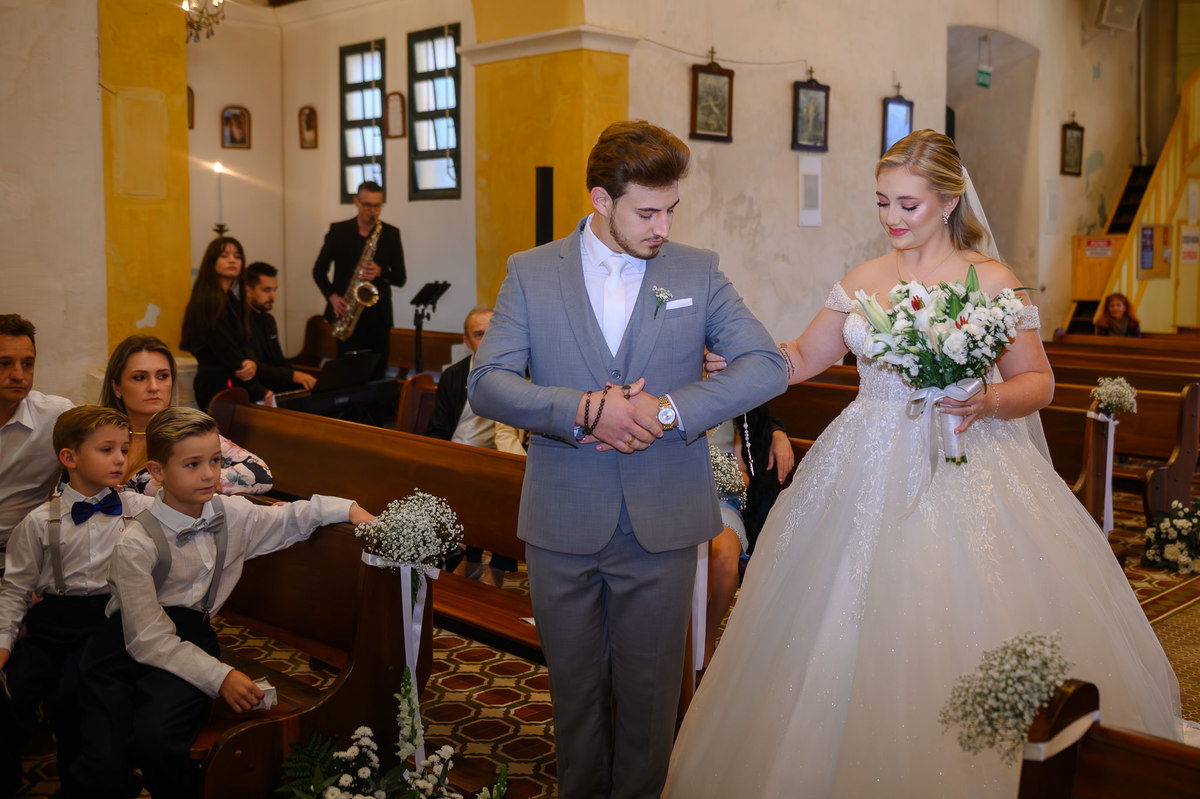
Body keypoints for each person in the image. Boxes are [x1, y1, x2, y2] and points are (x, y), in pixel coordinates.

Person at [664, 130, 1184, 797]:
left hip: (969, 460)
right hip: (864, 458)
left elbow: (1041, 383)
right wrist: (745, 361)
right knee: (837, 619)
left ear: (947, 201)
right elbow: (800, 356)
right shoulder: (863, 279)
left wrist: (988, 397)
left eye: (907, 204)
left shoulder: (992, 282)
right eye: (882, 202)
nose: (891, 218)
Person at [469, 120, 787, 798]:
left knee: (650, 711)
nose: (663, 226)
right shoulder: (531, 272)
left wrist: (668, 410)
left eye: (671, 208)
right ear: (600, 200)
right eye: (648, 211)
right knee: (574, 704)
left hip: (665, 521)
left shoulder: (696, 271)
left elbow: (766, 365)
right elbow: (487, 381)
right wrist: (584, 409)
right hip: (563, 519)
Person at [71, 406, 375, 798]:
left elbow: (295, 518)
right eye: (193, 464)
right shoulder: (136, 543)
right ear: (158, 472)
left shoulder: (231, 515)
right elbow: (146, 638)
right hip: (124, 645)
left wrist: (350, 509)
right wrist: (221, 676)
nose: (209, 474)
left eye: (215, 460)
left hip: (192, 639)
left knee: (158, 736)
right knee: (104, 752)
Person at [0, 406, 154, 796]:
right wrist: (2, 645)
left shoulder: (138, 512)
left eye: (124, 449)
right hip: (49, 625)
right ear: (69, 458)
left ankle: (80, 784)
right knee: (13, 688)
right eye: (107, 450)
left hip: (105, 624)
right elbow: (15, 590)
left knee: (76, 694)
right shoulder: (39, 522)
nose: (120, 459)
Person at [101, 335, 273, 497]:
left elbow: (260, 474)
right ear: (116, 387)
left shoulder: (186, 433)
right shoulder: (98, 434)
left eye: (162, 376)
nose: (154, 387)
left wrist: (186, 477)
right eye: (139, 377)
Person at [426, 306, 524, 586]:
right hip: (460, 454)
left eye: (493, 331)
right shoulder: (453, 376)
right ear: (467, 342)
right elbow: (438, 429)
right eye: (480, 334)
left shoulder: (517, 372)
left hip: (498, 455)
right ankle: (468, 561)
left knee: (503, 487)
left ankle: (497, 568)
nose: (488, 338)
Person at [0, 314, 73, 568]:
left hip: (27, 554)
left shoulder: (56, 415)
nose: (18, 375)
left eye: (28, 364)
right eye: (4, 364)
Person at [312, 180, 406, 372]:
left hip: (378, 318)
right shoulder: (338, 231)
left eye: (377, 206)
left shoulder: (390, 234)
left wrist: (381, 272)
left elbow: (400, 278)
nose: (372, 211)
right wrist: (332, 297)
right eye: (368, 205)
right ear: (356, 202)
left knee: (377, 373)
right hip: (346, 313)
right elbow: (318, 270)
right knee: (347, 374)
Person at [181, 236, 269, 411]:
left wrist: (251, 361)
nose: (232, 260)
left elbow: (244, 339)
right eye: (224, 255)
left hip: (234, 379)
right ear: (212, 261)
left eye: (237, 256)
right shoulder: (208, 300)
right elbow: (225, 347)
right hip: (217, 383)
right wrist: (257, 388)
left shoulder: (231, 298)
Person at [243, 262, 317, 393]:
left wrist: (298, 376)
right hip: (254, 390)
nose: (272, 296)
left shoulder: (268, 320)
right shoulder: (239, 321)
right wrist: (293, 375)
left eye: (274, 290)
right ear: (248, 290)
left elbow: (278, 360)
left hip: (275, 386)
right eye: (266, 290)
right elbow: (254, 366)